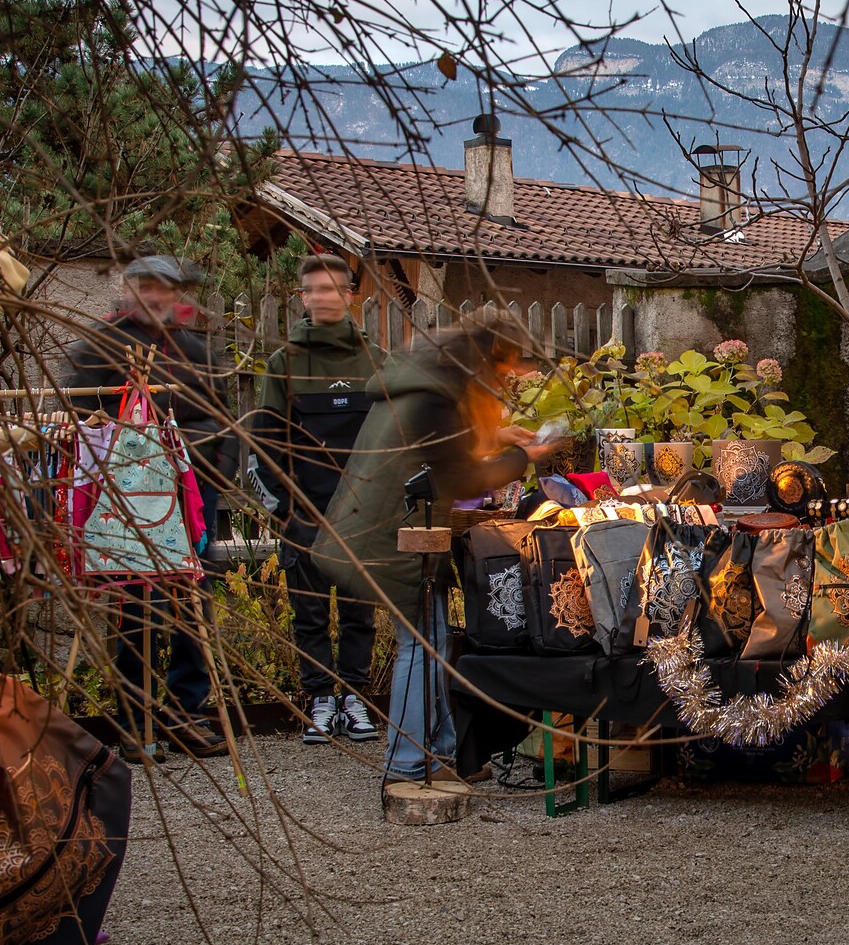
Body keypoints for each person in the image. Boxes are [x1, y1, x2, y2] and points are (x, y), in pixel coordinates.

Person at [315, 310, 562, 790]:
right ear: (487, 359)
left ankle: (445, 755)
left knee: (431, 640)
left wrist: (496, 437)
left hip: (385, 530)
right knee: (421, 644)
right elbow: (460, 475)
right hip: (391, 536)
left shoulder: (428, 383)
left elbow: (441, 445)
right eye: (507, 368)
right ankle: (408, 762)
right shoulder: (434, 398)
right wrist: (522, 458)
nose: (508, 378)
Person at [67, 253, 231, 760]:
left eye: (164, 288)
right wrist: (142, 448)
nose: (155, 297)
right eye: (146, 286)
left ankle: (187, 712)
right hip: (128, 504)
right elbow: (82, 419)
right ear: (130, 287)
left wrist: (181, 454)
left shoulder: (195, 350)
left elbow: (222, 424)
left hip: (190, 502)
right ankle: (135, 721)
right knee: (138, 613)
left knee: (191, 613)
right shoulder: (98, 346)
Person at [253, 254, 388, 744]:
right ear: (303, 298)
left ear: (351, 296)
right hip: (305, 512)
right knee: (309, 614)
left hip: (362, 515)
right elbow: (266, 443)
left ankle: (354, 699)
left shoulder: (377, 362)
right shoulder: (284, 362)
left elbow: (397, 438)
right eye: (314, 290)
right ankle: (320, 701)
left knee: (359, 613)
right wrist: (286, 510)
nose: (324, 297)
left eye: (333, 289)